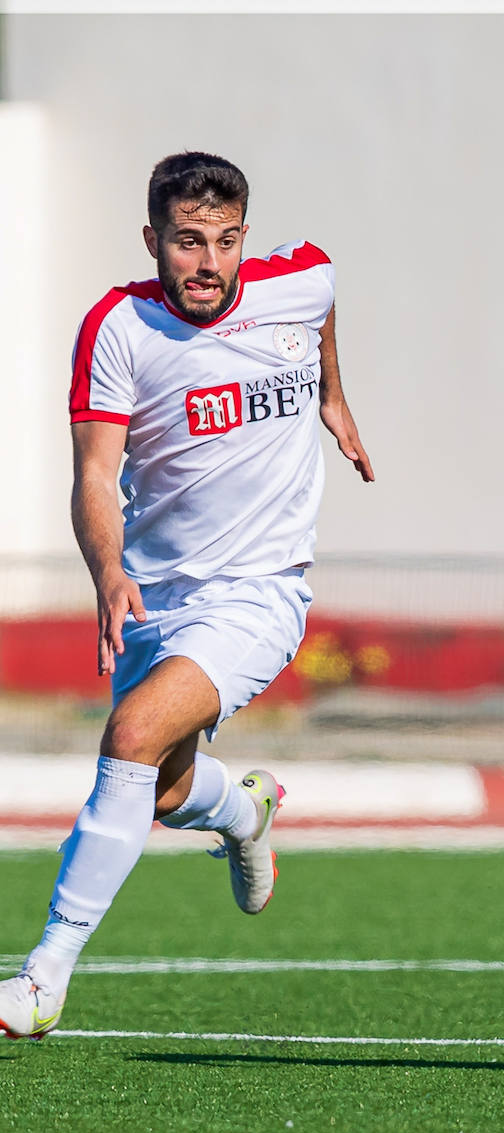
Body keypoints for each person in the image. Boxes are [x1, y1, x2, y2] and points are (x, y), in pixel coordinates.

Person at [0, 151, 374, 1040]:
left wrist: (334, 397)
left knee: (128, 738)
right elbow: (95, 474)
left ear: (246, 235)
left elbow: (317, 308)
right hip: (151, 594)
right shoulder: (118, 327)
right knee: (161, 791)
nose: (208, 262)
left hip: (258, 593)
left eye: (225, 241)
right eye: (187, 241)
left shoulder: (299, 278)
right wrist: (109, 570)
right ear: (153, 239)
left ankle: (44, 973)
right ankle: (245, 809)